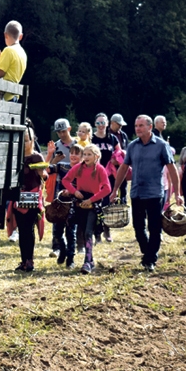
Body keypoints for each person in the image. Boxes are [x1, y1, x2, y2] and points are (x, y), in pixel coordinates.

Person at [112, 115, 182, 272]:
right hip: (136, 192)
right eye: (136, 126)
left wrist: (177, 193)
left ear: (150, 127)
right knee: (138, 227)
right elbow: (123, 168)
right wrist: (115, 189)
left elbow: (172, 169)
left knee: (155, 227)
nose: (137, 128)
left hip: (154, 193)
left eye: (141, 125)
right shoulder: (132, 146)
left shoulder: (161, 146)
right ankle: (147, 253)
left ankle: (150, 259)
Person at [62, 144, 112, 274]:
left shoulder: (100, 169)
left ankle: (87, 262)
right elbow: (65, 180)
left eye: (89, 154)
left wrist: (92, 199)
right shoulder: (78, 168)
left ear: (96, 156)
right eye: (85, 154)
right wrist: (74, 191)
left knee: (88, 232)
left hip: (93, 204)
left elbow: (107, 188)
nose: (86, 157)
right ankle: (89, 259)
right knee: (81, 231)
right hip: (79, 202)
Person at [10, 120, 47, 272]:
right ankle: (23, 260)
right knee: (21, 229)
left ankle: (29, 260)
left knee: (29, 229)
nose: (24, 143)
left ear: (32, 140)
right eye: (21, 140)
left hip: (32, 197)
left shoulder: (37, 157)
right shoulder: (14, 156)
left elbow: (44, 176)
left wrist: (42, 173)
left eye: (26, 140)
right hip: (18, 197)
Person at [46, 118, 75, 258]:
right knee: (57, 212)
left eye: (63, 131)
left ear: (69, 129)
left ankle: (73, 246)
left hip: (76, 183)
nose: (61, 134)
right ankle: (56, 246)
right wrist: (54, 160)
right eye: (58, 132)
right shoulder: (56, 146)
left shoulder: (77, 145)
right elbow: (48, 166)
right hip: (59, 182)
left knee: (73, 216)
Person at [91, 113, 121, 243]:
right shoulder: (91, 139)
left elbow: (120, 153)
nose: (101, 125)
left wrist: (116, 160)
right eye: (98, 123)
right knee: (95, 204)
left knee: (107, 204)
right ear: (95, 125)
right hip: (94, 174)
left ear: (107, 123)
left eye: (103, 122)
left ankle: (107, 230)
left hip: (109, 175)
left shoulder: (113, 138)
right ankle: (97, 232)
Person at [110, 114, 130, 200]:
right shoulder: (107, 135)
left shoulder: (123, 135)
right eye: (119, 124)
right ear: (112, 123)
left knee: (123, 188)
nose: (120, 126)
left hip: (122, 165)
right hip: (111, 167)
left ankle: (123, 204)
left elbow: (127, 148)